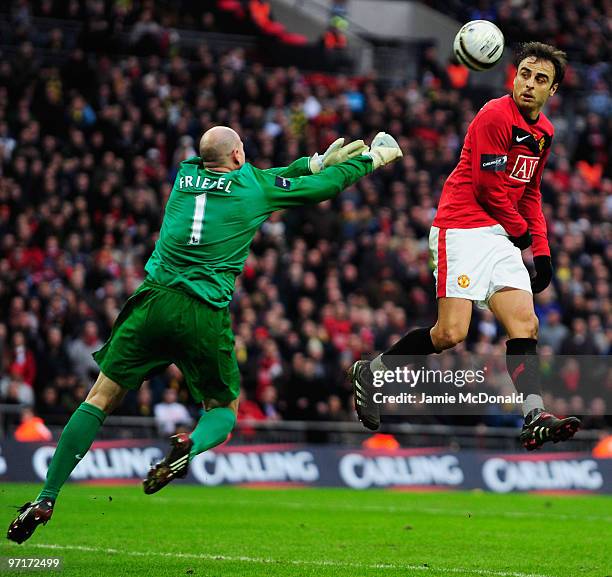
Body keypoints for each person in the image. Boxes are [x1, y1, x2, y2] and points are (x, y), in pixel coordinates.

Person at [7, 126, 402, 544]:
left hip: (152, 302)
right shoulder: (251, 188)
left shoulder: (185, 173)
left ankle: (47, 496)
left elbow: (262, 174)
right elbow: (319, 188)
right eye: (243, 153)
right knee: (224, 409)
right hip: (202, 311)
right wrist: (367, 160)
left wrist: (313, 160)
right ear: (236, 155)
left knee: (100, 397)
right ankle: (189, 447)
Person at [349, 42, 581, 451]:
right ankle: (374, 370)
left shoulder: (544, 133)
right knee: (450, 334)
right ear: (514, 75)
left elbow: (530, 193)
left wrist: (541, 251)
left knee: (525, 324)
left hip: (502, 233)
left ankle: (534, 416)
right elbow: (488, 188)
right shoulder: (494, 115)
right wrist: (522, 235)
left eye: (540, 79)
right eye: (524, 73)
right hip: (461, 227)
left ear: (553, 91)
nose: (528, 84)